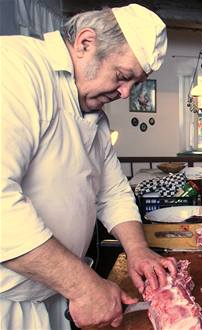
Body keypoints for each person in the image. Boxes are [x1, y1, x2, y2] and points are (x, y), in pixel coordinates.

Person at [0, 4, 177, 329]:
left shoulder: (92, 112)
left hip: (52, 295)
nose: (125, 93)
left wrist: (138, 250)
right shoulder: (15, 68)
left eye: (134, 84)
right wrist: (83, 284)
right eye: (123, 77)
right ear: (85, 43)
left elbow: (112, 192)